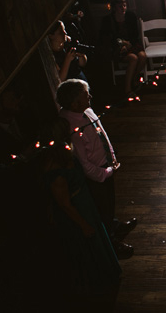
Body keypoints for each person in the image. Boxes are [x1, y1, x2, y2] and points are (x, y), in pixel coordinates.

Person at [38, 117, 121, 297]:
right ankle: (98, 284)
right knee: (87, 247)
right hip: (78, 210)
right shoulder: (54, 170)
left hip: (86, 202)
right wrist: (84, 225)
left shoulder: (66, 153)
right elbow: (65, 204)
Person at [56, 79, 136, 259]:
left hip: (106, 165)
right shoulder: (71, 126)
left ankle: (114, 225)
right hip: (96, 175)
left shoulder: (87, 111)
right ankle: (112, 242)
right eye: (86, 95)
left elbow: (102, 135)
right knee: (102, 208)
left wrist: (112, 158)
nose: (90, 97)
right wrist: (107, 172)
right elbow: (84, 165)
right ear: (74, 103)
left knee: (110, 203)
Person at [99, 0, 147, 96]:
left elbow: (135, 34)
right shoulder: (108, 20)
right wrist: (121, 44)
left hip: (132, 44)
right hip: (117, 48)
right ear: (114, 8)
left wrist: (129, 44)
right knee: (133, 58)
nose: (123, 8)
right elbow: (107, 38)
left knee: (142, 56)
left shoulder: (130, 16)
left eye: (124, 6)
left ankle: (134, 78)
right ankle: (127, 88)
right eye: (120, 6)